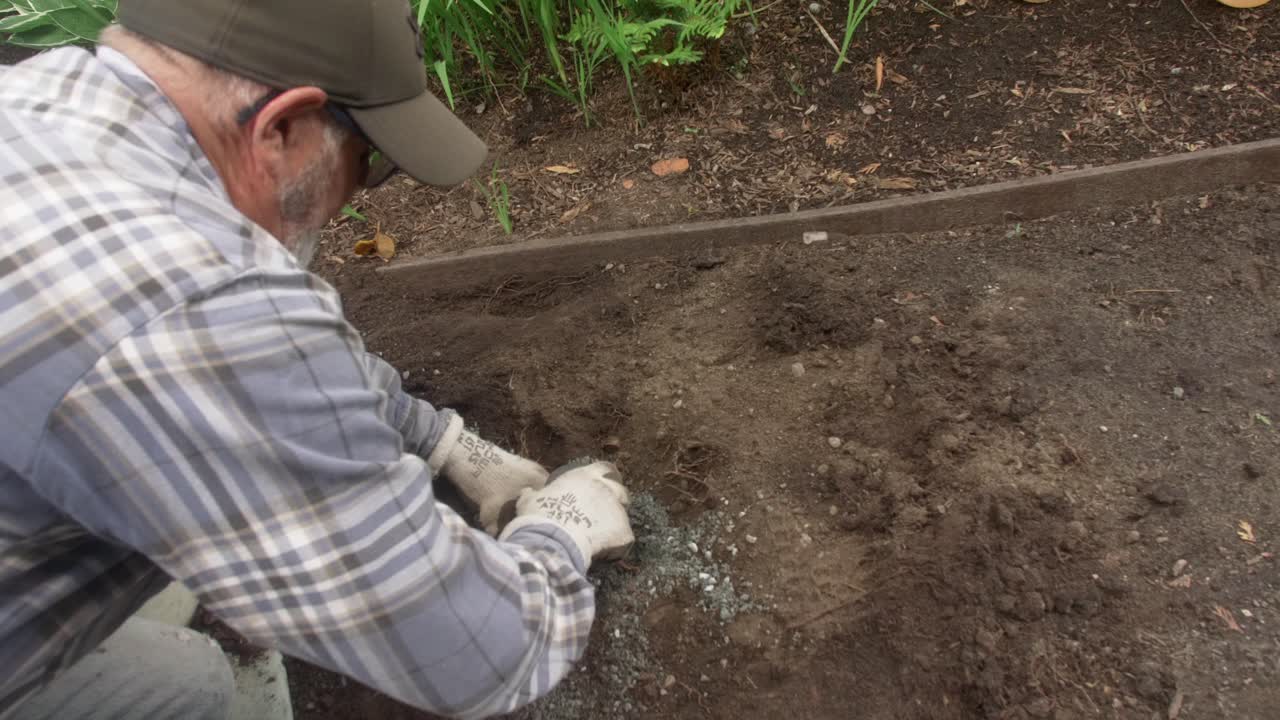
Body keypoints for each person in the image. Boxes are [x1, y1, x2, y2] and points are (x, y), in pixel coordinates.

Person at [0, 1, 635, 719]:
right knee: (194, 689)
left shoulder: (37, 98)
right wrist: (559, 531)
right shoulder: (193, 305)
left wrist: (439, 439)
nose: (356, 196)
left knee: (179, 635)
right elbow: (478, 652)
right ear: (279, 129)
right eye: (368, 164)